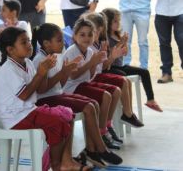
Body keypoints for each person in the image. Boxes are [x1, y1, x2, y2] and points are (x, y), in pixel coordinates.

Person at [0, 26, 92, 171]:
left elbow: (41, 89)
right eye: (24, 42)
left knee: (68, 116)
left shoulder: (27, 63)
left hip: (29, 111)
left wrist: (54, 71)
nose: (29, 44)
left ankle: (65, 162)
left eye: (29, 40)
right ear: (10, 50)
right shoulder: (9, 69)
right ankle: (55, 165)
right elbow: (24, 95)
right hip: (16, 117)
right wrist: (41, 73)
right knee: (58, 121)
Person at [31, 23, 123, 167]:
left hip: (57, 95)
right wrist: (64, 72)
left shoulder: (57, 56)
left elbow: (60, 85)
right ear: (47, 44)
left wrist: (66, 71)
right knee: (87, 107)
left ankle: (92, 149)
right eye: (59, 40)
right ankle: (101, 148)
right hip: (45, 100)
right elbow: (42, 90)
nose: (63, 43)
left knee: (93, 104)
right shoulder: (39, 60)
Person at [62, 18, 123, 149]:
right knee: (105, 96)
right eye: (82, 34)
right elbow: (73, 75)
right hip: (72, 88)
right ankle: (102, 133)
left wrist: (95, 62)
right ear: (74, 36)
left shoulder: (90, 51)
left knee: (115, 91)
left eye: (90, 34)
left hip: (84, 84)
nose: (87, 38)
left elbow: (89, 76)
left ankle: (107, 125)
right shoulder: (71, 51)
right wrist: (92, 62)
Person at [84, 13, 144, 142]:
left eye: (98, 31)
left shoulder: (98, 44)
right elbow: (95, 70)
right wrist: (112, 56)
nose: (96, 34)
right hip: (93, 78)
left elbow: (106, 66)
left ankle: (124, 115)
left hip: (98, 75)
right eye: (94, 31)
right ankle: (119, 118)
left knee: (125, 80)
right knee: (122, 80)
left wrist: (115, 52)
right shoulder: (89, 46)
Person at [102, 8, 163, 112]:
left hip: (120, 65)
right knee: (122, 75)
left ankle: (150, 100)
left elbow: (124, 52)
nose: (118, 23)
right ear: (107, 22)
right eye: (115, 21)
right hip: (110, 67)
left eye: (119, 20)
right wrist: (121, 42)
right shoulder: (106, 37)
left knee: (144, 72)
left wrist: (124, 43)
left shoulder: (116, 35)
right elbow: (110, 53)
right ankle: (125, 106)